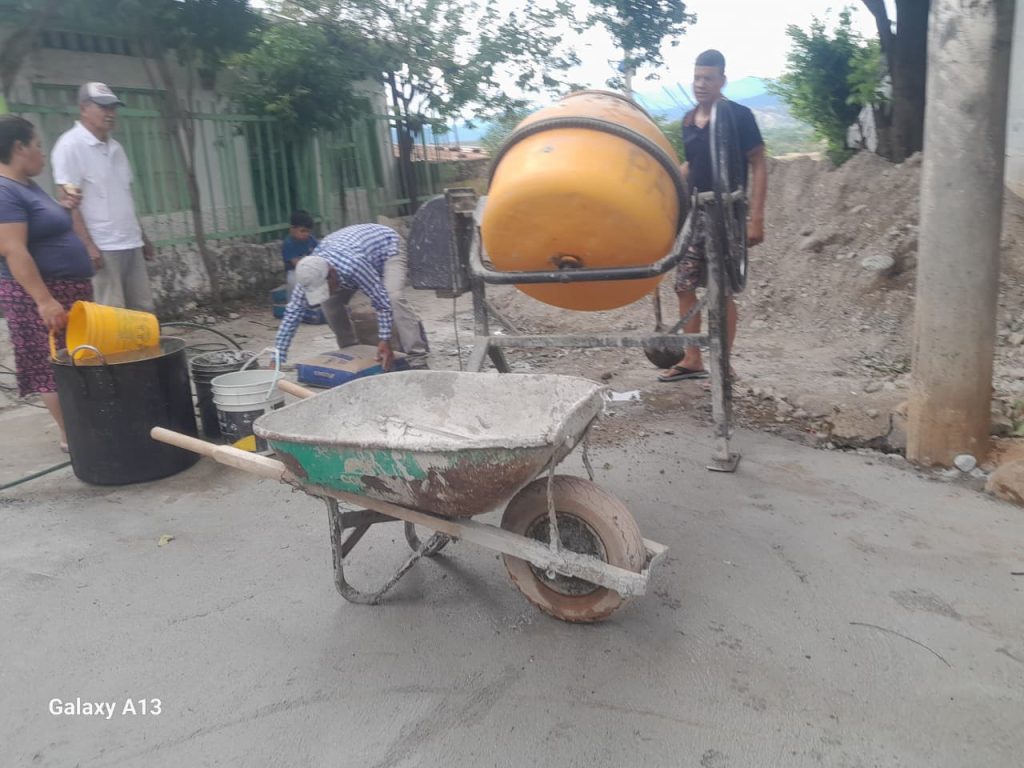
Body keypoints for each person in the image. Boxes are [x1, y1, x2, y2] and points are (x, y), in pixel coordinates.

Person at [658, 49, 767, 383]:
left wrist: (756, 217)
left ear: (722, 80)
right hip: (696, 214)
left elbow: (759, 163)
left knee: (722, 290)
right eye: (697, 78)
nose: (701, 84)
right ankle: (693, 359)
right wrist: (665, 182)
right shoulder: (689, 120)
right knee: (683, 285)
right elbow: (693, 166)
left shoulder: (738, 116)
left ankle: (723, 361)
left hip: (728, 212)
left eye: (708, 78)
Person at [0, 116, 93, 452]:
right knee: (49, 365)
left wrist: (65, 207)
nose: (42, 153)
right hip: (39, 296)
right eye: (37, 145)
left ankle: (84, 426)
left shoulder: (25, 184)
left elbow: (43, 228)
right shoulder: (4, 190)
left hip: (66, 291)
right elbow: (13, 249)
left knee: (75, 360)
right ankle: (73, 436)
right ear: (19, 148)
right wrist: (44, 301)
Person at [50, 82, 156, 312]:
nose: (110, 113)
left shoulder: (116, 147)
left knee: (143, 310)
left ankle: (147, 350)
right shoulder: (70, 146)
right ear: (84, 108)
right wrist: (88, 246)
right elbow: (69, 203)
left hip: (130, 241)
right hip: (104, 245)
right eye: (103, 107)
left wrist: (143, 237)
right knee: (113, 312)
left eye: (113, 108)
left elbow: (125, 195)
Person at [274, 223, 429, 370]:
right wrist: (277, 358)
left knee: (392, 297)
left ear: (331, 274)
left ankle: (417, 356)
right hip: (357, 252)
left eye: (326, 287)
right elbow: (291, 316)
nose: (326, 291)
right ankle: (352, 351)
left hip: (388, 247)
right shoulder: (309, 275)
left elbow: (380, 300)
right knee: (329, 304)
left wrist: (384, 339)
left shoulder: (354, 264)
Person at [282, 209, 318, 297]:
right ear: (292, 229)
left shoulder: (311, 240)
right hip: (295, 272)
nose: (306, 234)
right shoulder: (288, 244)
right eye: (302, 231)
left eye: (308, 231)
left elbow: (319, 253)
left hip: (311, 270)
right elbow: (296, 264)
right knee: (294, 284)